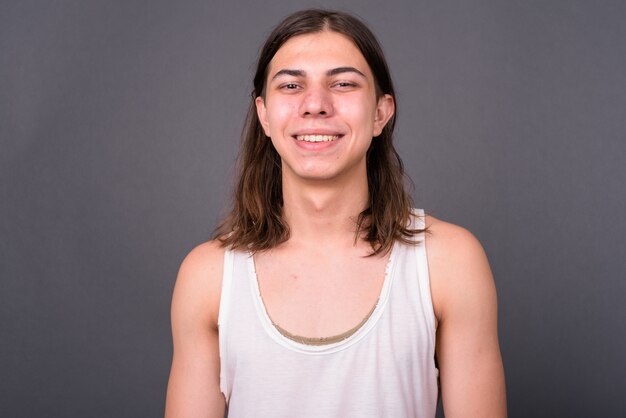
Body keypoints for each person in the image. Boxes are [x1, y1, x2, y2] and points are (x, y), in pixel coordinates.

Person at [165, 9, 506, 418]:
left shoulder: (449, 262)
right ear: (264, 115)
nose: (315, 104)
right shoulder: (207, 276)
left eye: (343, 83)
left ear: (381, 112)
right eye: (291, 85)